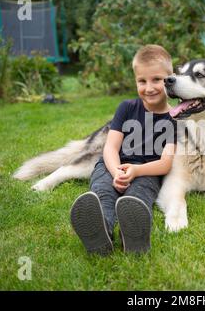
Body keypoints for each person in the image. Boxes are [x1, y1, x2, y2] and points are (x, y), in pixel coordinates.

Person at [70, 44, 176, 255]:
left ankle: (134, 237)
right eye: (142, 81)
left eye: (156, 79)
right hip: (113, 164)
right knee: (103, 192)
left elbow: (165, 163)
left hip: (147, 171)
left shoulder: (174, 119)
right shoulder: (126, 108)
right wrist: (116, 170)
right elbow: (110, 147)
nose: (149, 87)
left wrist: (136, 171)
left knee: (138, 196)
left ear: (170, 79)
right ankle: (102, 233)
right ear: (135, 81)